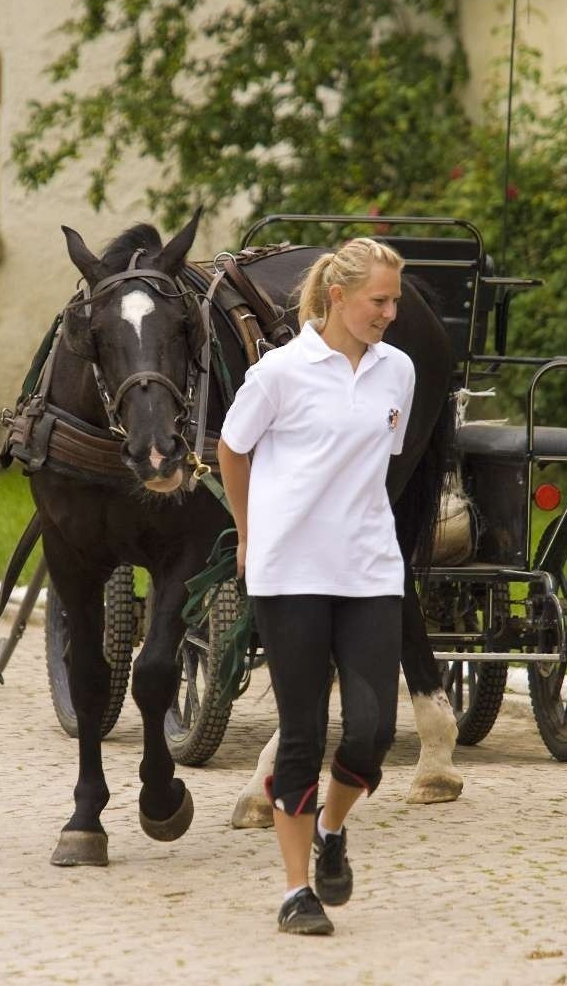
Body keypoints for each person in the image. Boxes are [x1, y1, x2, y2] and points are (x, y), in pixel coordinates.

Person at [218, 237, 414, 936]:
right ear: (338, 296)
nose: (390, 313)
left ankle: (333, 827)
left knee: (373, 732)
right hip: (288, 572)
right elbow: (232, 448)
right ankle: (296, 891)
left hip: (368, 571)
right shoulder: (279, 373)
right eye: (379, 301)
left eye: (394, 301)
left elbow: (372, 465)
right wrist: (248, 532)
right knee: (302, 732)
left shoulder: (399, 372)